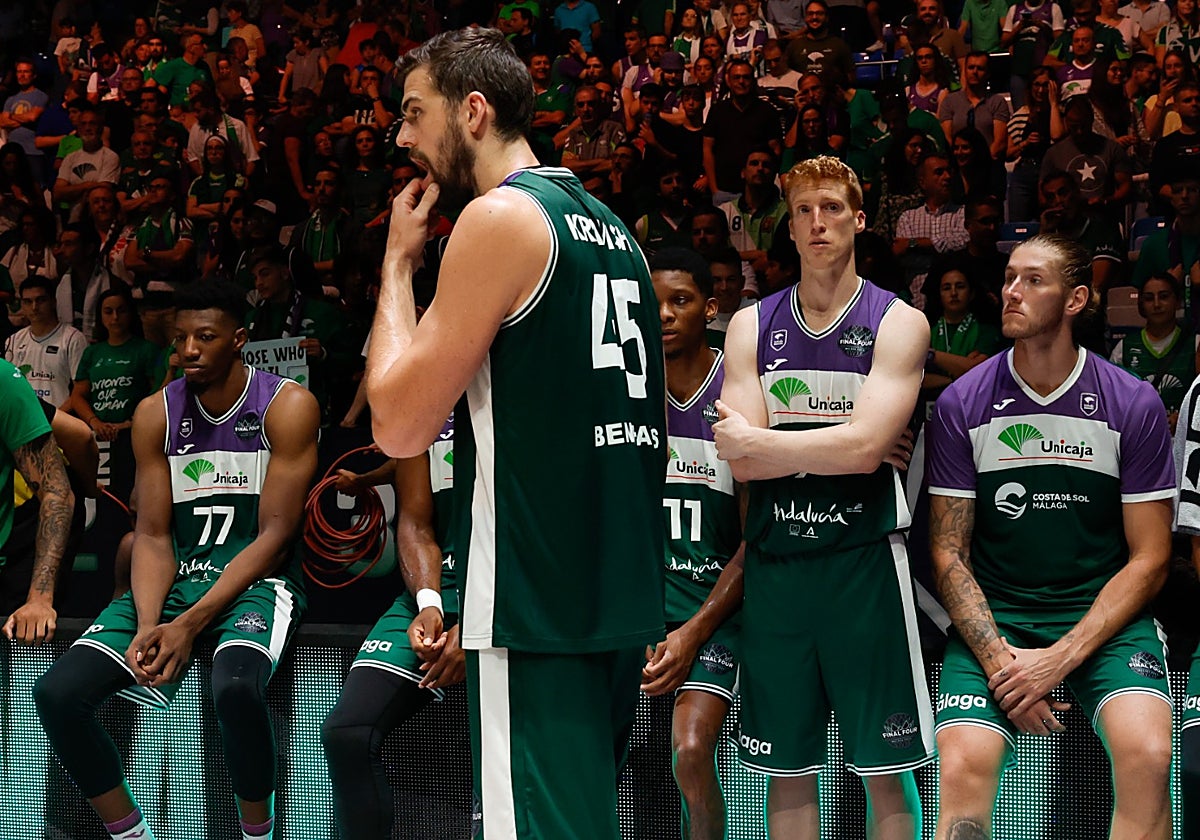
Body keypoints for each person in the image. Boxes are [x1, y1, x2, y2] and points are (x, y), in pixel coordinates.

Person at [367, 28, 666, 839]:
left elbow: (397, 425)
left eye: (414, 112)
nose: (402, 137)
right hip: (615, 593)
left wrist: (397, 265)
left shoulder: (499, 218)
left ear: (473, 112)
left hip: (534, 601)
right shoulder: (614, 230)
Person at [34, 278, 320, 840]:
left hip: (257, 582)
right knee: (57, 695)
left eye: (205, 337)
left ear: (239, 339)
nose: (189, 349)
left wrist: (188, 625)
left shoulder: (287, 406)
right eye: (181, 338)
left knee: (235, 688)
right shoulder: (154, 414)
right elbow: (153, 533)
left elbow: (276, 537)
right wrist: (149, 625)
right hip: (176, 578)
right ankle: (131, 834)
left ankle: (257, 834)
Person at [926, 233, 1175, 840]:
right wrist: (1004, 666)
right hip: (999, 618)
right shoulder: (963, 403)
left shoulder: (1131, 403)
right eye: (1009, 278)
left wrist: (1059, 659)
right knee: (961, 768)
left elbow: (1151, 558)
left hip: (1103, 616)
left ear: (1076, 300)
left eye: (1033, 280)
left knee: (1147, 754)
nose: (1012, 291)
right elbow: (948, 552)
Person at [713, 155, 932, 838]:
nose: (817, 222)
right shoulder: (751, 325)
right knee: (787, 770)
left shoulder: (900, 323)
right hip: (776, 568)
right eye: (803, 211)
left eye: (832, 207)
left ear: (860, 219)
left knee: (886, 771)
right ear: (788, 227)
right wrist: (845, 442)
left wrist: (775, 442)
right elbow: (740, 464)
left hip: (864, 565)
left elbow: (861, 451)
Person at [642, 247, 745, 840]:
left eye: (679, 301)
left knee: (689, 747)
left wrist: (692, 632)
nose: (663, 314)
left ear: (709, 307)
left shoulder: (739, 394)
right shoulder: (624, 393)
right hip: (636, 611)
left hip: (715, 612)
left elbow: (756, 541)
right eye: (651, 302)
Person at [322, 421, 462, 838]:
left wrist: (481, 623)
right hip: (441, 587)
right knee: (346, 733)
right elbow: (416, 524)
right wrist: (429, 602)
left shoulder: (527, 400)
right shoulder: (428, 411)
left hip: (519, 596)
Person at [1111, 273, 1198, 429]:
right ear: (1141, 305)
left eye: (1164, 296)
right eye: (1149, 298)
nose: (1157, 304)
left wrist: (1186, 417)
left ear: (1177, 301)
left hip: (1183, 438)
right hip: (1140, 437)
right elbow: (1113, 402)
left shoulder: (1196, 345)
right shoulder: (1124, 349)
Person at [4, 277, 87, 408]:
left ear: (53, 302)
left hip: (61, 417)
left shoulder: (73, 339)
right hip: (25, 418)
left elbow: (80, 390)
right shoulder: (13, 341)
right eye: (28, 302)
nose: (34, 307)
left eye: (41, 300)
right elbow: (9, 387)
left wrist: (55, 417)